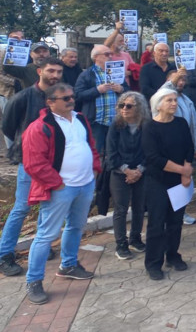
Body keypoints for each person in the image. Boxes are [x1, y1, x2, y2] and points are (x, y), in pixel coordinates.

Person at [22, 83, 101, 304]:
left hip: (85, 184)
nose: (71, 100)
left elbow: (90, 145)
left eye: (72, 96)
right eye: (65, 98)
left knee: (76, 227)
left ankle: (69, 265)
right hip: (61, 189)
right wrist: (57, 184)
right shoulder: (39, 127)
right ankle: (34, 280)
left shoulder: (80, 118)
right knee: (46, 235)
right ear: (50, 102)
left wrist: (95, 168)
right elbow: (33, 163)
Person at [0, 57, 64, 277]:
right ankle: (4, 255)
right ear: (39, 71)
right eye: (51, 71)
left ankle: (41, 245)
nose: (55, 75)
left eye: (59, 72)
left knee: (47, 205)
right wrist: (24, 148)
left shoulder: (61, 96)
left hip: (55, 162)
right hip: (30, 162)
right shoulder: (24, 97)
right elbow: (8, 127)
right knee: (22, 207)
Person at [142, 87, 194, 280]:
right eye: (169, 100)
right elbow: (153, 157)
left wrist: (186, 171)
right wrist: (183, 171)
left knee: (175, 222)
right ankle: (153, 263)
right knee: (157, 223)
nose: (174, 103)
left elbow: (189, 148)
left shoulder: (181, 123)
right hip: (158, 181)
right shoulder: (149, 127)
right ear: (158, 105)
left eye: (175, 100)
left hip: (179, 181)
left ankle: (172, 255)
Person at [106, 91, 149, 260]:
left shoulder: (146, 125)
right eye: (121, 105)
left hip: (140, 172)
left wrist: (139, 170)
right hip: (119, 173)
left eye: (129, 106)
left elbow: (149, 150)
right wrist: (127, 170)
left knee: (139, 207)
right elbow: (111, 152)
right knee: (120, 209)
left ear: (139, 108)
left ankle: (135, 238)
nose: (124, 109)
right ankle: (121, 244)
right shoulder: (115, 126)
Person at [74, 44, 125, 160]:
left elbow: (128, 91)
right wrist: (97, 90)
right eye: (107, 54)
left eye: (111, 54)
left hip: (116, 120)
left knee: (114, 153)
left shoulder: (116, 71)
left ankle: (109, 172)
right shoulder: (87, 74)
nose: (110, 56)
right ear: (96, 57)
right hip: (97, 121)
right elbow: (78, 95)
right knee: (94, 153)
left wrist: (121, 89)